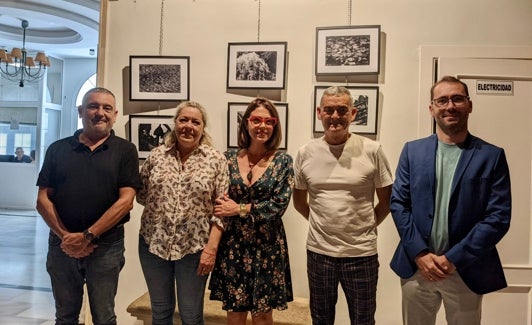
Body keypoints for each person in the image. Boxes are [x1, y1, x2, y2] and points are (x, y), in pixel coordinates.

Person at [389, 76, 512, 325]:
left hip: (465, 269)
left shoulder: (491, 156)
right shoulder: (412, 151)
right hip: (417, 268)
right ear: (431, 108)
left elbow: (498, 217)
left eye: (457, 98)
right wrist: (421, 254)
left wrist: (453, 258)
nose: (450, 106)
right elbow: (399, 204)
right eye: (442, 100)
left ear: (469, 105)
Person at [36, 87, 141, 325]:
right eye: (93, 106)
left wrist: (88, 235)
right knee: (65, 316)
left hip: (106, 247)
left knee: (104, 317)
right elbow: (43, 199)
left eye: (106, 108)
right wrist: (66, 237)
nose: (99, 113)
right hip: (61, 246)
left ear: (115, 114)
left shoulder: (125, 150)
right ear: (81, 111)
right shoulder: (58, 149)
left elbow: (126, 201)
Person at [292, 86, 393, 325]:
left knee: (363, 320)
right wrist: (323, 224)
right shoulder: (305, 153)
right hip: (319, 254)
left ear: (353, 113)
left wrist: (364, 225)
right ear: (319, 112)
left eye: (342, 110)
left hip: (361, 254)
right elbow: (299, 202)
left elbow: (387, 201)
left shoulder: (373, 150)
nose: (335, 116)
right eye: (329, 110)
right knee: (321, 319)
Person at [137, 101, 229, 325]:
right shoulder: (157, 156)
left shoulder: (215, 160)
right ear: (175, 123)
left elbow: (222, 211)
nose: (188, 126)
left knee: (191, 314)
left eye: (195, 122)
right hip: (153, 245)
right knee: (160, 312)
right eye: (183, 120)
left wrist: (211, 250)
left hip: (195, 249)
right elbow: (142, 195)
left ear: (202, 128)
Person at [209, 97, 294, 325]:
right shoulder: (227, 159)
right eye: (256, 120)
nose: (262, 126)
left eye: (269, 121)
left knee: (263, 316)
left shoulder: (283, 161)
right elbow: (219, 201)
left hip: (267, 247)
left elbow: (278, 206)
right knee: (235, 315)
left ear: (275, 125)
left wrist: (238, 209)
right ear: (246, 123)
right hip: (233, 246)